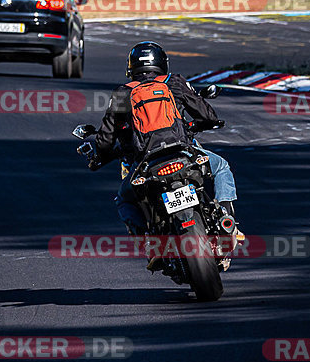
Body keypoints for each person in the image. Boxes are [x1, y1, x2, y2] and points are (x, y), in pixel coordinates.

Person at [86, 43, 241, 266]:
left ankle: (149, 242)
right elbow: (206, 114)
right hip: (183, 152)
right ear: (162, 63)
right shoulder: (174, 82)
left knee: (124, 199)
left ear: (130, 68)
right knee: (220, 166)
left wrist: (98, 157)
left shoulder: (123, 93)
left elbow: (106, 138)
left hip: (147, 161)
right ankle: (227, 219)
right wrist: (206, 123)